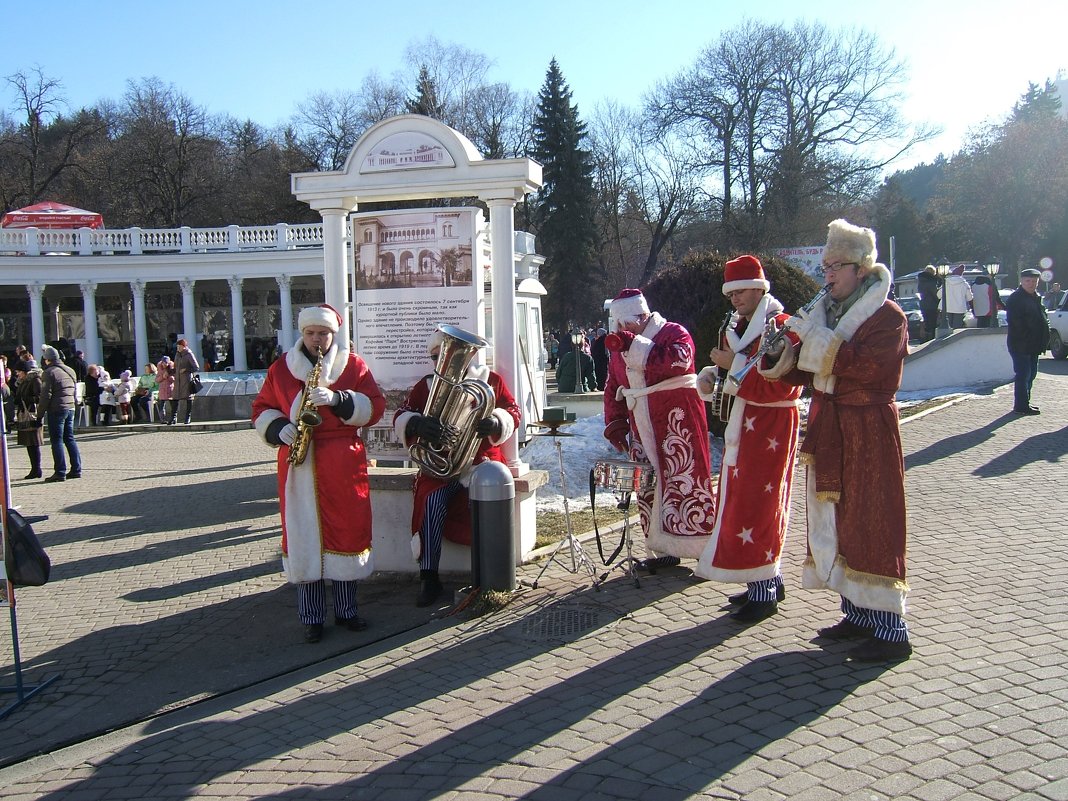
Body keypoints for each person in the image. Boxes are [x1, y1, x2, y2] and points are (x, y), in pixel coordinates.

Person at [765, 219, 911, 662]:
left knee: (873, 519)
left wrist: (814, 338)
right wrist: (778, 354)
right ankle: (858, 613)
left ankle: (891, 629)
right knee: (838, 517)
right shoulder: (828, 312)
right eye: (825, 267)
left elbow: (868, 368)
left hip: (868, 428)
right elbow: (808, 371)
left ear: (862, 268)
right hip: (833, 424)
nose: (825, 275)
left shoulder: (889, 317)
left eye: (835, 266)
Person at [252, 304, 386, 643]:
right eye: (311, 334)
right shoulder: (281, 368)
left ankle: (346, 610)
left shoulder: (352, 365)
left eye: (323, 334)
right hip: (298, 462)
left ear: (333, 335)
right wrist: (277, 426)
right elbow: (262, 408)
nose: (317, 340)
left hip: (341, 460)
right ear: (302, 334)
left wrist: (340, 398)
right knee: (301, 536)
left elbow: (375, 406)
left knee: (346, 533)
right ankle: (311, 617)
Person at [694, 255, 802, 624]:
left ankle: (765, 587)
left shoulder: (784, 328)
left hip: (772, 424)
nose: (734, 300)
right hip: (744, 424)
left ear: (759, 289)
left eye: (740, 292)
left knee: (763, 504)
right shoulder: (736, 327)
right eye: (731, 294)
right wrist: (712, 378)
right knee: (743, 502)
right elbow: (738, 375)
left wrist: (730, 368)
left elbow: (781, 382)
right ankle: (763, 579)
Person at [393, 328, 521, 607]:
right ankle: (428, 576)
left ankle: (490, 573)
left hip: (481, 462)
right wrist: (416, 424)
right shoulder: (425, 387)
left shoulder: (491, 381)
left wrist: (497, 422)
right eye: (438, 358)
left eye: (450, 357)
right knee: (431, 503)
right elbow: (401, 414)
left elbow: (513, 411)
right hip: (441, 466)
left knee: (489, 505)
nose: (445, 365)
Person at [602, 288, 716, 565]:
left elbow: (680, 361)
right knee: (648, 485)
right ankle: (663, 549)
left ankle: (701, 547)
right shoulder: (622, 344)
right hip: (641, 421)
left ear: (640, 316)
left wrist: (636, 346)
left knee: (684, 479)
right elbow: (613, 384)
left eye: (624, 323)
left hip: (678, 421)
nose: (620, 329)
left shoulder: (673, 332)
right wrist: (616, 422)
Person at [1004, 268, 1049, 415]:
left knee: (1031, 374)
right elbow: (1016, 324)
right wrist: (1027, 340)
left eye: (1034, 281)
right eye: (1028, 281)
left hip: (1034, 345)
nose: (1031, 284)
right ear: (1021, 281)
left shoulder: (1036, 297)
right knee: (1023, 375)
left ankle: (1025, 402)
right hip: (1021, 345)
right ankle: (1021, 406)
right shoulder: (1016, 299)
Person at [37, 344, 82, 483]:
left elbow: (46, 396)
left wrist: (39, 415)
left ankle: (60, 471)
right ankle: (76, 469)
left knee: (56, 441)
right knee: (70, 438)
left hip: (57, 409)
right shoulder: (70, 370)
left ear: (47, 359)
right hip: (70, 407)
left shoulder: (49, 372)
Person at [13, 359, 44, 479]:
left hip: (32, 414)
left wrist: (26, 399)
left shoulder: (35, 380)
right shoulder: (23, 382)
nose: (17, 374)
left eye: (19, 372)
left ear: (25, 371)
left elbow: (39, 397)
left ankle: (37, 469)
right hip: (24, 414)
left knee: (33, 443)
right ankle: (34, 469)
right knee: (29, 444)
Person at [170, 339, 200, 425]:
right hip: (177, 380)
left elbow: (196, 367)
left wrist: (186, 369)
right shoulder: (177, 355)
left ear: (183, 346)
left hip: (186, 380)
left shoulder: (189, 354)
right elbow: (175, 368)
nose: (177, 348)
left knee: (188, 398)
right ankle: (173, 418)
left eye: (179, 346)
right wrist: (169, 371)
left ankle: (188, 417)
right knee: (175, 398)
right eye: (177, 347)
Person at [939, 264, 973, 329]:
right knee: (956, 329)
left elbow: (939, 295)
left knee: (946, 328)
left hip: (946, 307)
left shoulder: (946, 282)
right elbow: (970, 298)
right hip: (959, 309)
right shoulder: (964, 284)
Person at [916, 266, 942, 341]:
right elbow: (935, 294)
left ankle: (925, 339)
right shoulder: (931, 282)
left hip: (923, 305)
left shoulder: (921, 281)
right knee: (933, 324)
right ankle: (931, 339)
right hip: (932, 305)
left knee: (926, 323)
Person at [156, 355, 175, 423]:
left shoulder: (172, 369)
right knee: (161, 405)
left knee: (172, 405)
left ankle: (173, 418)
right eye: (164, 363)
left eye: (166, 363)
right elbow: (157, 380)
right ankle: (162, 419)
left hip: (170, 389)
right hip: (162, 389)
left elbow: (174, 379)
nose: (165, 364)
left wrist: (168, 376)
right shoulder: (159, 369)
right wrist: (163, 377)